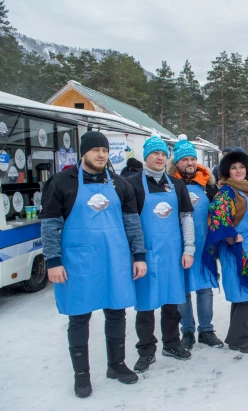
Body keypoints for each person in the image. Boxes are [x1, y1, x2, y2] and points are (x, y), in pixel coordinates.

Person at [40, 131, 147, 397]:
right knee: (79, 317)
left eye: (105, 150)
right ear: (83, 152)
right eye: (95, 150)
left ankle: (117, 365)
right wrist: (53, 260)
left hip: (115, 259)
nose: (101, 155)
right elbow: (51, 225)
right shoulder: (61, 182)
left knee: (116, 312)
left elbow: (132, 224)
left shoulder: (120, 184)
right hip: (79, 261)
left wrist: (139, 255)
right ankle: (82, 376)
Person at [126, 136, 194, 372]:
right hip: (146, 255)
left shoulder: (176, 185)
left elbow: (186, 218)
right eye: (155, 153)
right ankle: (146, 350)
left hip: (173, 254)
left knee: (172, 302)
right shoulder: (132, 184)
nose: (159, 157)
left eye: (163, 154)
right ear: (146, 156)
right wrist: (137, 255)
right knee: (145, 306)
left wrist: (189, 249)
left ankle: (172, 343)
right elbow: (130, 222)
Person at [203, 150, 248, 352]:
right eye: (234, 168)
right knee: (245, 292)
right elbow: (216, 216)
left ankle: (240, 333)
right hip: (236, 248)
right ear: (227, 171)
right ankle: (236, 338)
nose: (238, 171)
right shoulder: (227, 192)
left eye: (242, 167)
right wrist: (231, 236)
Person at [167, 140, 223, 351]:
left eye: (192, 158)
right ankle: (187, 330)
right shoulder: (169, 184)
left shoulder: (208, 183)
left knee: (204, 287)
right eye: (185, 159)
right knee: (183, 289)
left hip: (205, 244)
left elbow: (217, 213)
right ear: (177, 162)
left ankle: (207, 330)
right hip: (180, 245)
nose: (190, 162)